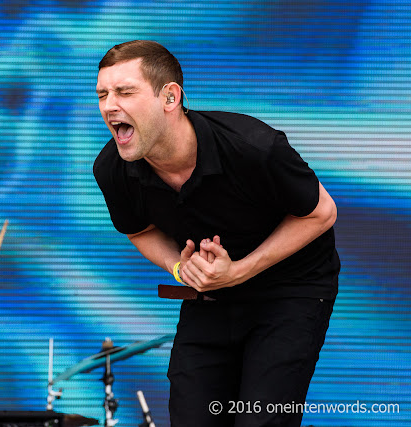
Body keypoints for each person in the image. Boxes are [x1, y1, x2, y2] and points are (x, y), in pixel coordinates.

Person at [93, 40, 341, 427]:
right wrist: (180, 268)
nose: (110, 105)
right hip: (209, 298)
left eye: (125, 92)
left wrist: (240, 270)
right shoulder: (112, 169)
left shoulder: (253, 147)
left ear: (170, 98)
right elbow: (139, 231)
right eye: (103, 94)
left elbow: (322, 214)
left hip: (290, 291)